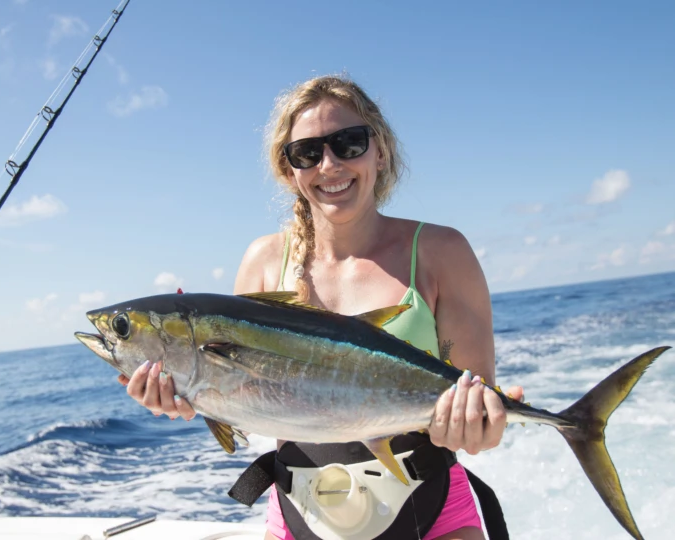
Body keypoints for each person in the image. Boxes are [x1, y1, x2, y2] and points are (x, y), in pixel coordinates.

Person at [118, 74, 523, 540]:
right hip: (298, 514)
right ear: (289, 170)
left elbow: (480, 417)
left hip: (430, 514)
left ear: (381, 151)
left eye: (349, 143)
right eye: (307, 153)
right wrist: (186, 399)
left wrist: (481, 426)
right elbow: (235, 396)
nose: (329, 164)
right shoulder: (264, 261)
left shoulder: (440, 252)